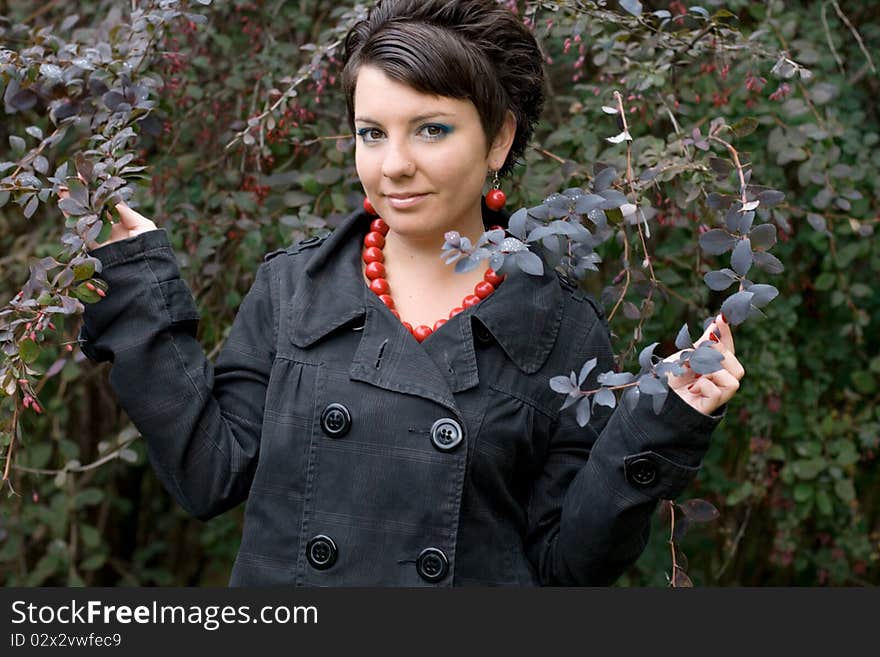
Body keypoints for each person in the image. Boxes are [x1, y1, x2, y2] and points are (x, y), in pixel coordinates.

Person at [70, 0, 744, 586]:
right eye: (372, 133)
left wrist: (662, 420)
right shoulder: (293, 290)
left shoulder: (560, 329)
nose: (393, 164)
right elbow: (208, 471)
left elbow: (569, 566)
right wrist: (134, 280)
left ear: (499, 137)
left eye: (431, 129)